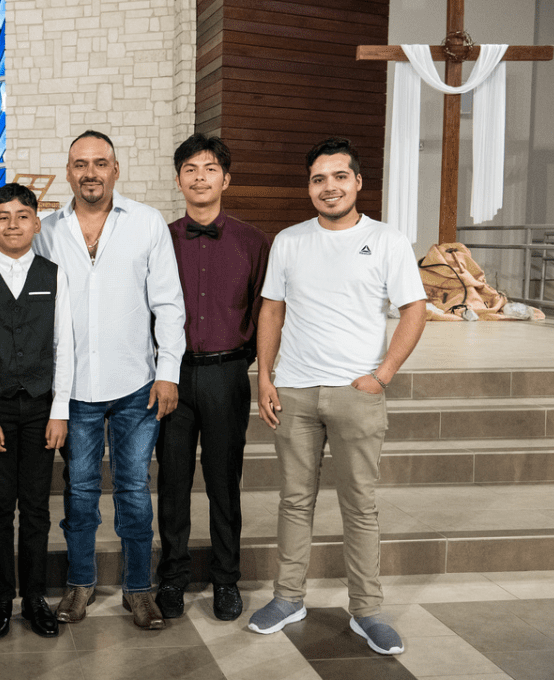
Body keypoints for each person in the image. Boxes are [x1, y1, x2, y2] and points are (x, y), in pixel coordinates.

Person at [0, 130, 185, 630]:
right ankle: (80, 584)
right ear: (68, 172)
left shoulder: (146, 222)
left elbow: (168, 303)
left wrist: (169, 372)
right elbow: (11, 264)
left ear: (115, 169)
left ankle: (139, 589)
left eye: (100, 163)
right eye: (80, 164)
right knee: (79, 493)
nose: (90, 172)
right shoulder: (48, 229)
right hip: (73, 389)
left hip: (134, 381)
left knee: (133, 490)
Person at [247, 137, 426, 655]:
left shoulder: (387, 240)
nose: (329, 187)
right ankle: (287, 598)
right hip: (296, 392)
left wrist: (382, 376)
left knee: (360, 505)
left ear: (358, 182)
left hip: (356, 392)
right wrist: (265, 377)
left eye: (339, 176)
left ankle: (367, 610)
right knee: (294, 500)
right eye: (318, 179)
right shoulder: (290, 241)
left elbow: (413, 309)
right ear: (309, 187)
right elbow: (272, 309)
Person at [154, 134, 270, 622]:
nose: (200, 177)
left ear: (226, 179)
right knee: (172, 482)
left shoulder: (253, 242)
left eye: (209, 169)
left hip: (227, 374)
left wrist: (249, 365)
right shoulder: (160, 238)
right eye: (190, 169)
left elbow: (266, 310)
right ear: (178, 179)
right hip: (171, 376)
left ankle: (226, 579)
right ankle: (173, 578)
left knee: (225, 482)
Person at [0, 183, 74, 640]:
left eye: (22, 216)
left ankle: (35, 597)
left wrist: (60, 409)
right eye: (2, 217)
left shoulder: (55, 275)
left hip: (42, 407)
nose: (12, 224)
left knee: (37, 508)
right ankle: (1, 598)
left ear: (36, 223)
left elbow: (64, 346)